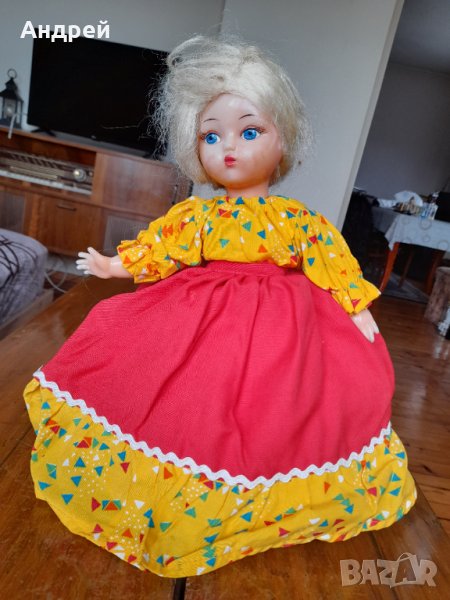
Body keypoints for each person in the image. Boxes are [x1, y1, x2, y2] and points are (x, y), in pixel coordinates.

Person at [24, 35, 416, 578]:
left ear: (283, 139)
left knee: (271, 400)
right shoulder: (199, 216)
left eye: (250, 131)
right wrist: (115, 265)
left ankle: (254, 483)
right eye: (212, 136)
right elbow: (164, 247)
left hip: (280, 324)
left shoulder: (294, 218)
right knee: (187, 391)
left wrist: (356, 306)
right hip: (202, 312)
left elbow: (327, 255)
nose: (229, 147)